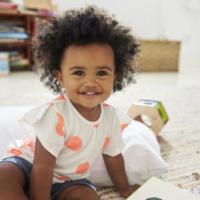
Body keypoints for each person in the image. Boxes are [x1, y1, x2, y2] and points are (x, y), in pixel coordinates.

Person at [0, 5, 139, 200]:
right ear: (60, 77)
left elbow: (113, 156)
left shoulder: (111, 118)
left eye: (101, 73)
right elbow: (42, 166)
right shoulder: (55, 114)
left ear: (116, 76)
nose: (90, 82)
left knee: (89, 197)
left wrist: (124, 189)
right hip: (27, 166)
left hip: (69, 181)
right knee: (3, 177)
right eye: (78, 72)